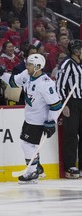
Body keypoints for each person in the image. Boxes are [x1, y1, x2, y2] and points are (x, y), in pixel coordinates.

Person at [0, 53, 62, 184]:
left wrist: (51, 122)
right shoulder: (27, 74)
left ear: (38, 67)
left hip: (39, 121)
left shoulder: (46, 84)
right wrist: (0, 73)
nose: (26, 66)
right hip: (29, 118)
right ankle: (37, 168)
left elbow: (56, 105)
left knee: (27, 145)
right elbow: (13, 81)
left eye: (29, 64)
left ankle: (32, 172)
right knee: (30, 144)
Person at [56, 39, 82, 179]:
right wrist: (63, 104)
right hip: (71, 102)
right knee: (71, 134)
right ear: (76, 51)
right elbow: (60, 85)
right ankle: (70, 166)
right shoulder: (67, 64)